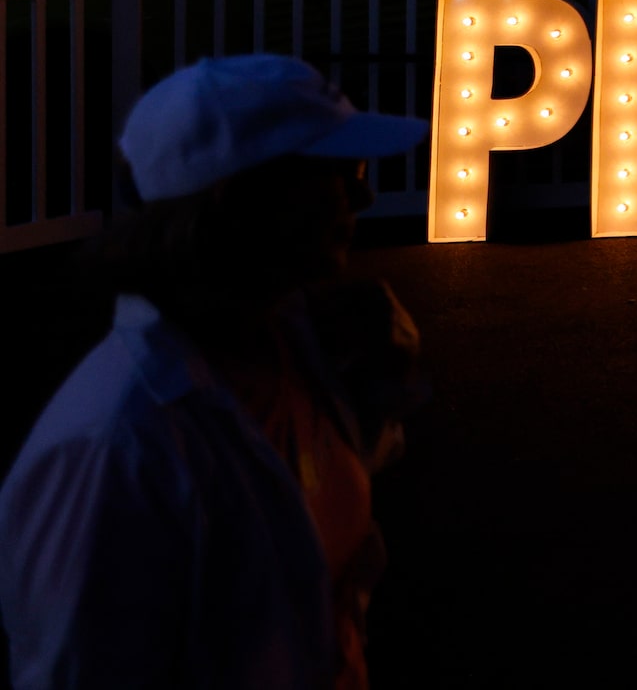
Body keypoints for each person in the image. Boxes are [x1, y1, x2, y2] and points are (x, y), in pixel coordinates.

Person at [0, 54, 431, 690]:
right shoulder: (112, 451)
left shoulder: (296, 347)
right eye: (338, 172)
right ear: (242, 202)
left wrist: (370, 402)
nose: (363, 194)